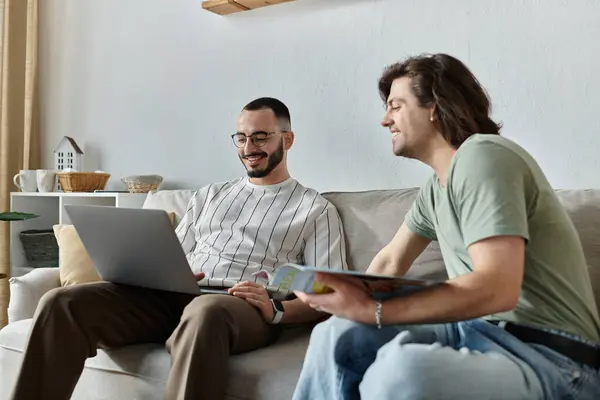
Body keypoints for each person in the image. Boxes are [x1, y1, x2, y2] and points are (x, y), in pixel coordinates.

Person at [292, 54, 600, 400]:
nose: (384, 120)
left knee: (402, 371)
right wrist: (333, 294)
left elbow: (497, 287)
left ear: (435, 106)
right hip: (475, 331)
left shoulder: (484, 155)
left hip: (551, 355)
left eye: (395, 106)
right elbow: (389, 264)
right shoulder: (435, 189)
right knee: (336, 335)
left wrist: (375, 310)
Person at [10, 97, 347, 400]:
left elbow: (328, 293)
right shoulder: (209, 196)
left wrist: (277, 309)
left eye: (261, 137)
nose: (249, 147)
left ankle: (187, 331)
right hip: (175, 295)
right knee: (63, 302)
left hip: (240, 306)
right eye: (241, 137)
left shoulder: (315, 209)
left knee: (205, 313)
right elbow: (174, 254)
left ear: (287, 139)